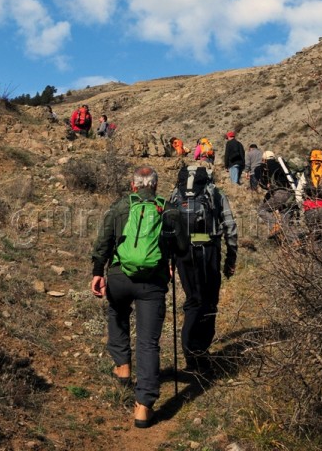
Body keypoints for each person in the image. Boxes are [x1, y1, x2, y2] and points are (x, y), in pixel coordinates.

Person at [91, 166, 188, 429]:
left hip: (120, 277)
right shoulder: (168, 209)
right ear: (155, 186)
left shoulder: (120, 206)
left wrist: (98, 272)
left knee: (117, 312)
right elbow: (182, 247)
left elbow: (104, 241)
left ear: (134, 186)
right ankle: (143, 406)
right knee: (148, 342)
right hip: (152, 284)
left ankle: (122, 366)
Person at [169, 155, 238, 374]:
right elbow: (230, 226)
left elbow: (168, 226)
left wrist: (169, 259)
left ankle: (190, 355)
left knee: (193, 300)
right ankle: (201, 353)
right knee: (209, 301)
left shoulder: (176, 193)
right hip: (209, 251)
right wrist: (231, 258)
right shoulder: (215, 193)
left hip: (183, 253)